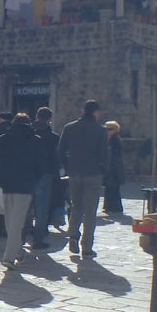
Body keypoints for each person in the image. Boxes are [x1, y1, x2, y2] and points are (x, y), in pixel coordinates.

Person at [0, 113, 48, 269]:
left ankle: (18, 252)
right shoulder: (36, 141)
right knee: (17, 221)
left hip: (6, 183)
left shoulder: (3, 139)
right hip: (25, 184)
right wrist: (34, 179)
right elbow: (41, 165)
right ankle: (10, 257)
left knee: (10, 220)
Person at [58, 100, 108, 259]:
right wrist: (103, 171)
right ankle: (86, 246)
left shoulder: (69, 127)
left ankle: (73, 235)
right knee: (90, 212)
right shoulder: (100, 130)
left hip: (74, 173)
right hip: (93, 173)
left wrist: (67, 166)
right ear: (95, 112)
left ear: (83, 111)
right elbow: (104, 153)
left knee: (76, 207)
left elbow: (60, 150)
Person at [31, 107, 61, 249]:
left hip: (28, 174)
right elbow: (57, 158)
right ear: (49, 119)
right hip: (46, 174)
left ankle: (21, 237)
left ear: (36, 117)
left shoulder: (29, 133)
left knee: (25, 206)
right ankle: (38, 238)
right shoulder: (54, 137)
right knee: (42, 208)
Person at [103, 121, 125, 214]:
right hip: (111, 167)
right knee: (109, 187)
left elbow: (114, 155)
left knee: (113, 187)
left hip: (114, 167)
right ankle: (109, 206)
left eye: (110, 129)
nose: (107, 131)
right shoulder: (109, 139)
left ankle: (115, 207)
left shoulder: (115, 140)